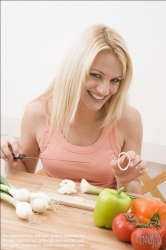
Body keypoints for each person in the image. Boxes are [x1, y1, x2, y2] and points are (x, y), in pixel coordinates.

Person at [1, 23, 147, 194]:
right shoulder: (37, 113)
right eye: (96, 75)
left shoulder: (128, 119)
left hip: (104, 219)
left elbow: (133, 195)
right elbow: (22, 181)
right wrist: (10, 156)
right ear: (74, 70)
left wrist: (124, 178)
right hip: (50, 213)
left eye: (115, 80)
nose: (104, 90)